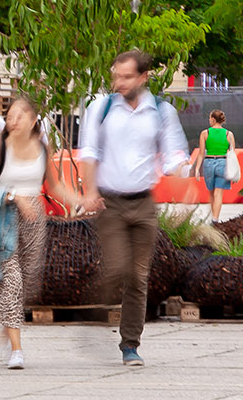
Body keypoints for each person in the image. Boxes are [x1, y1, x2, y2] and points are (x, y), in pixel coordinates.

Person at [79, 49, 190, 367]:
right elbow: (88, 151)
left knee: (139, 276)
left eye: (127, 76)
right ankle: (95, 315)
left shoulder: (161, 111)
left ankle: (130, 345)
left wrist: (182, 171)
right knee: (117, 268)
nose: (119, 82)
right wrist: (89, 191)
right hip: (109, 202)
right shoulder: (100, 108)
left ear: (144, 77)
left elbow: (172, 155)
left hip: (143, 202)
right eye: (116, 75)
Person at [0, 96, 83, 370]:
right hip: (4, 219)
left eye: (20, 116)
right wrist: (13, 196)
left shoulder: (42, 148)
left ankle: (8, 325)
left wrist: (81, 200)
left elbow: (54, 187)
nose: (13, 121)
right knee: (12, 280)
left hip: (35, 219)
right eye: (9, 116)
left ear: (33, 121)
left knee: (28, 281)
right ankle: (17, 350)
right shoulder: (0, 146)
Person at [191, 109, 237, 222]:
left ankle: (214, 218)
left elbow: (201, 153)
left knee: (211, 192)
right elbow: (232, 155)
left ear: (212, 119)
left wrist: (197, 169)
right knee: (218, 193)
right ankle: (215, 219)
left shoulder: (205, 133)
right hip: (223, 163)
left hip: (208, 163)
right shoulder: (229, 134)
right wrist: (234, 172)